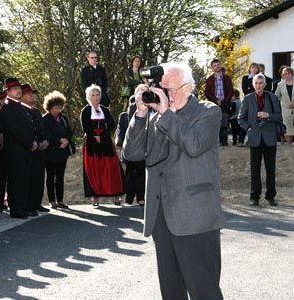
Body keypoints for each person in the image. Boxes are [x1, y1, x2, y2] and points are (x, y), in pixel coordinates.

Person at [123, 63, 224, 299]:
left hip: (194, 216)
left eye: (169, 89)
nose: (162, 94)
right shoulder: (155, 114)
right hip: (161, 216)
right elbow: (132, 154)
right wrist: (139, 114)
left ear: (187, 88)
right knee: (171, 292)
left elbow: (194, 145)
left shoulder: (207, 112)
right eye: (161, 88)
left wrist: (166, 113)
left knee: (204, 290)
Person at [238, 73, 282, 207]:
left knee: (271, 169)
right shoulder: (247, 98)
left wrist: (268, 115)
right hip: (255, 138)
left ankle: (271, 197)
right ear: (253, 85)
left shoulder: (272, 97)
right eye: (256, 83)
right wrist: (249, 129)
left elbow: (279, 117)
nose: (258, 86)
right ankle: (254, 197)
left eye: (261, 83)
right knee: (254, 169)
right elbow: (241, 118)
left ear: (265, 84)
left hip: (269, 137)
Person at [80, 84, 124, 207]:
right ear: (89, 97)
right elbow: (85, 126)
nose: (95, 97)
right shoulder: (86, 110)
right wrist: (94, 135)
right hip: (91, 142)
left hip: (105, 141)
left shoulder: (104, 109)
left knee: (111, 168)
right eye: (93, 95)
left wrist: (103, 134)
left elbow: (111, 124)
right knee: (94, 168)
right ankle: (95, 197)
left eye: (97, 94)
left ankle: (115, 195)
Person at [0, 78, 36, 218]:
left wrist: (32, 141)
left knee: (23, 179)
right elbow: (15, 130)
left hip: (24, 149)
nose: (18, 90)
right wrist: (29, 143)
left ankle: (23, 207)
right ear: (8, 92)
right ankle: (16, 210)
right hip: (15, 150)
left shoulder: (18, 106)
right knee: (16, 180)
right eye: (14, 89)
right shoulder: (8, 107)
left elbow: (27, 127)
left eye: (19, 88)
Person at [21, 84, 50, 213]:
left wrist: (45, 141)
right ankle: (28, 206)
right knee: (28, 179)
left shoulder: (36, 111)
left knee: (39, 178)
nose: (31, 95)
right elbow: (24, 132)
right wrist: (34, 142)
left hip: (40, 150)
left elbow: (43, 129)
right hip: (29, 150)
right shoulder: (21, 111)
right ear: (22, 96)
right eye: (28, 94)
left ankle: (37, 203)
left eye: (32, 93)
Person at [43, 91, 73, 209]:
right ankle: (52, 200)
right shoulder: (45, 119)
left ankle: (60, 200)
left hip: (62, 152)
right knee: (50, 176)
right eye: (56, 107)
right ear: (50, 107)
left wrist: (66, 139)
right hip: (50, 152)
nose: (58, 110)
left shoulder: (64, 117)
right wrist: (59, 140)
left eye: (60, 107)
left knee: (60, 177)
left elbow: (70, 130)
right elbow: (46, 134)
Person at [115, 96, 145, 206]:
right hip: (131, 150)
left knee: (136, 174)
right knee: (132, 174)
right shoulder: (124, 116)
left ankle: (136, 198)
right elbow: (120, 132)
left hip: (137, 149)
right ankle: (132, 198)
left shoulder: (142, 115)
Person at [205, 58, 233, 146]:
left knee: (224, 123)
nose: (217, 67)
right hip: (214, 104)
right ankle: (216, 142)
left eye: (218, 65)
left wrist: (224, 101)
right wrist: (215, 101)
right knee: (215, 123)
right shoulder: (209, 80)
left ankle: (224, 142)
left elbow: (230, 91)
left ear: (220, 66)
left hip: (225, 104)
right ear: (212, 68)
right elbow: (207, 92)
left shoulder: (227, 78)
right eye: (214, 66)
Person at [275, 67, 294, 144]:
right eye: (285, 74)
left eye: (288, 73)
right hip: (285, 110)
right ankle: (288, 145)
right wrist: (283, 102)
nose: (287, 75)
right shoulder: (280, 84)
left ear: (292, 74)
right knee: (287, 128)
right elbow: (276, 97)